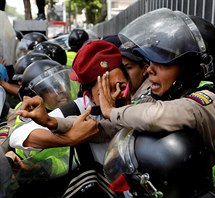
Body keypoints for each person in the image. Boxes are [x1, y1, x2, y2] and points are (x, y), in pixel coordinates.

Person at [96, 8, 215, 197]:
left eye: (164, 62)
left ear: (189, 68)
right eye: (151, 61)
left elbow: (154, 116)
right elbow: (118, 125)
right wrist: (58, 125)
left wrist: (111, 111)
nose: (149, 69)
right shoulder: (169, 94)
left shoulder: (206, 101)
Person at [10, 40, 130, 197]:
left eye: (121, 86)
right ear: (89, 90)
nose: (117, 94)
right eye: (105, 89)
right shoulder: (79, 109)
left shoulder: (138, 104)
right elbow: (17, 136)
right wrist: (69, 138)